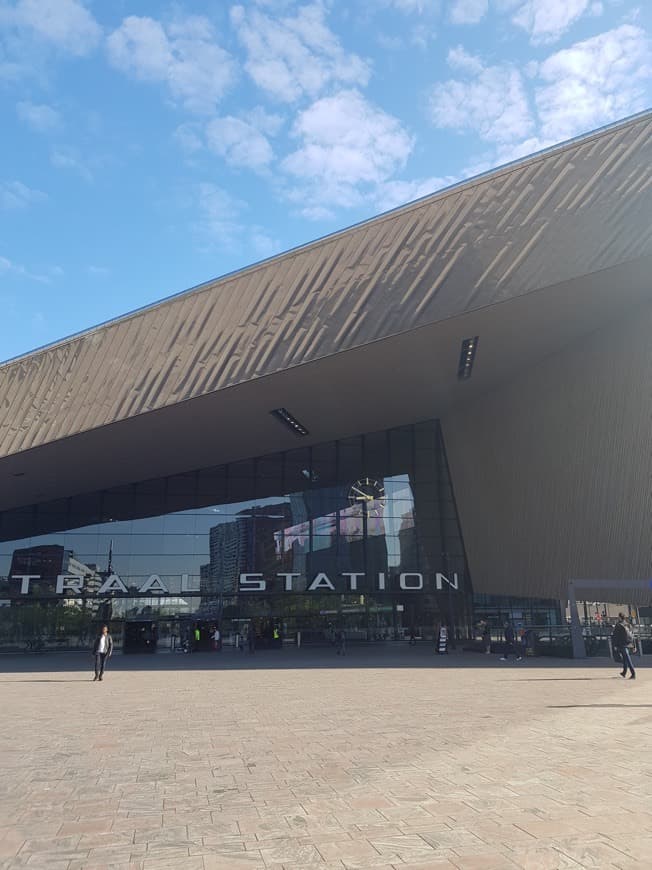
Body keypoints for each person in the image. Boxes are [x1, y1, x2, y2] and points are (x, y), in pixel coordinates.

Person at [612, 613, 636, 679]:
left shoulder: (618, 625)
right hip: (629, 643)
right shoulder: (628, 624)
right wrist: (634, 646)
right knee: (625, 658)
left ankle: (633, 673)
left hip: (622, 644)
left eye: (618, 617)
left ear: (620, 617)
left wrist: (615, 645)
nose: (617, 618)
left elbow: (615, 636)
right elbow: (632, 635)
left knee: (627, 659)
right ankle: (624, 672)